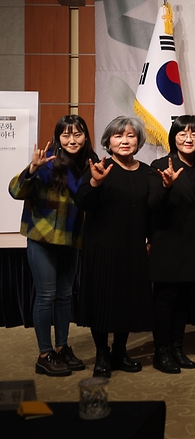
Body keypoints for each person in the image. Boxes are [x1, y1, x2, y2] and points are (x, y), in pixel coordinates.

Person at [75, 116, 162, 378]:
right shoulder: (100, 167)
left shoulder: (148, 172)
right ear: (108, 142)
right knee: (102, 302)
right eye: (118, 136)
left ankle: (119, 351)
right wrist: (95, 183)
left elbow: (152, 210)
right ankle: (102, 354)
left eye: (130, 136)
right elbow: (81, 202)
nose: (125, 141)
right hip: (101, 246)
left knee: (127, 302)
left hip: (134, 247)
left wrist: (150, 238)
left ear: (138, 141)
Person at [9, 115, 95, 376]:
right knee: (46, 296)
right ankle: (44, 355)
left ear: (85, 136)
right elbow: (15, 190)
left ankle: (62, 348)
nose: (72, 140)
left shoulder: (92, 163)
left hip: (72, 239)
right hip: (42, 239)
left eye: (77, 134)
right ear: (58, 138)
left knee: (65, 296)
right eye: (66, 135)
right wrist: (32, 169)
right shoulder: (46, 162)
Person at [149, 115, 195, 374]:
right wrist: (166, 187)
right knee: (165, 298)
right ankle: (161, 351)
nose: (188, 138)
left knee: (184, 299)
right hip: (167, 241)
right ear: (173, 137)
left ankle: (177, 347)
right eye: (182, 134)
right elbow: (152, 206)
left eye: (194, 134)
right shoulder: (160, 164)